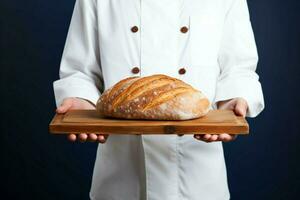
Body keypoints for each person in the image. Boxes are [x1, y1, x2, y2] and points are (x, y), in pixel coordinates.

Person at [53, 0, 265, 199]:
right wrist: (81, 102)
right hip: (120, 181)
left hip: (198, 181)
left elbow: (238, 68)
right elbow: (80, 71)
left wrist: (232, 103)